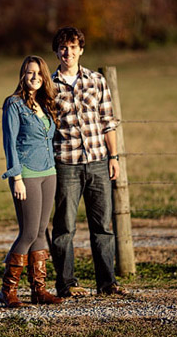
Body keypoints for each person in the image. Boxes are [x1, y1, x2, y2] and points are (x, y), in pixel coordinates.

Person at [49, 26, 128, 298]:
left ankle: (107, 283)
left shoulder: (96, 80)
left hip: (97, 161)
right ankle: (66, 284)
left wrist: (113, 157)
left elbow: (108, 122)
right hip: (65, 164)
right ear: (56, 51)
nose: (67, 52)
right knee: (64, 228)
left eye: (72, 46)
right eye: (62, 47)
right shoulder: (49, 86)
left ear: (81, 49)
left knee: (102, 227)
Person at [0, 55, 64, 308]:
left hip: (49, 173)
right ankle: (8, 291)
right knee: (27, 233)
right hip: (25, 174)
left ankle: (39, 290)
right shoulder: (13, 104)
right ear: (22, 76)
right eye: (29, 73)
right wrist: (16, 177)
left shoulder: (45, 104)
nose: (34, 77)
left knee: (40, 233)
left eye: (38, 73)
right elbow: (10, 143)